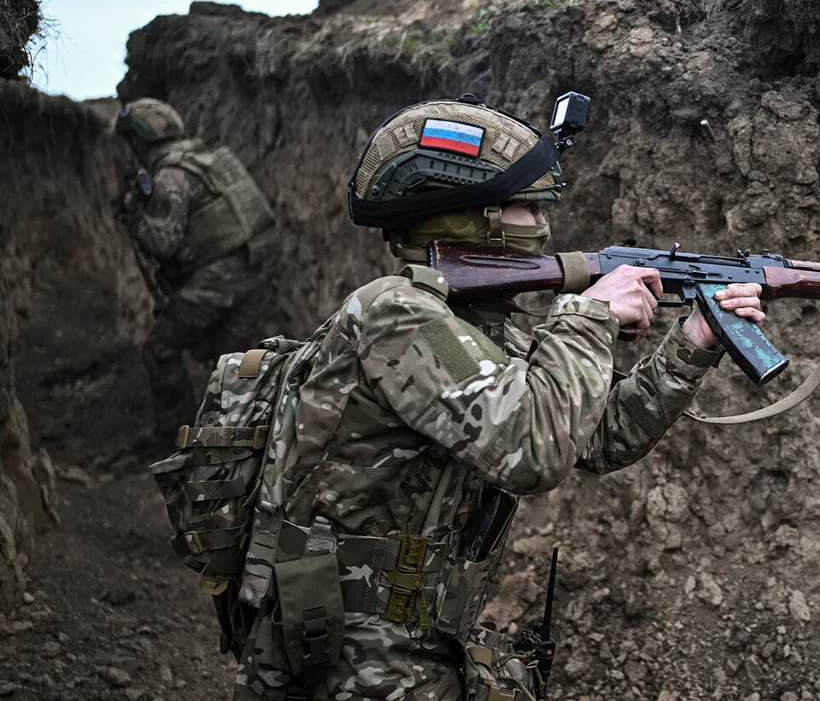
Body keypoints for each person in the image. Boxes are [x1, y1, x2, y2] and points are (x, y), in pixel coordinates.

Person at [231, 95, 765, 700]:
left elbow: (595, 436)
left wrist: (691, 342)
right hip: (350, 651)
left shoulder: (476, 326)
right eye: (525, 207)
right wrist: (589, 316)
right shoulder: (394, 315)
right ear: (465, 217)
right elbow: (532, 450)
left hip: (416, 637)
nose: (542, 225)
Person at [115, 98, 279, 445]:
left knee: (159, 349)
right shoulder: (209, 155)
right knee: (235, 363)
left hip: (219, 280)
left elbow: (164, 242)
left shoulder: (171, 174)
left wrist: (134, 215)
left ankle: (172, 435)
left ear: (138, 140)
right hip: (256, 267)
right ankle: (251, 440)